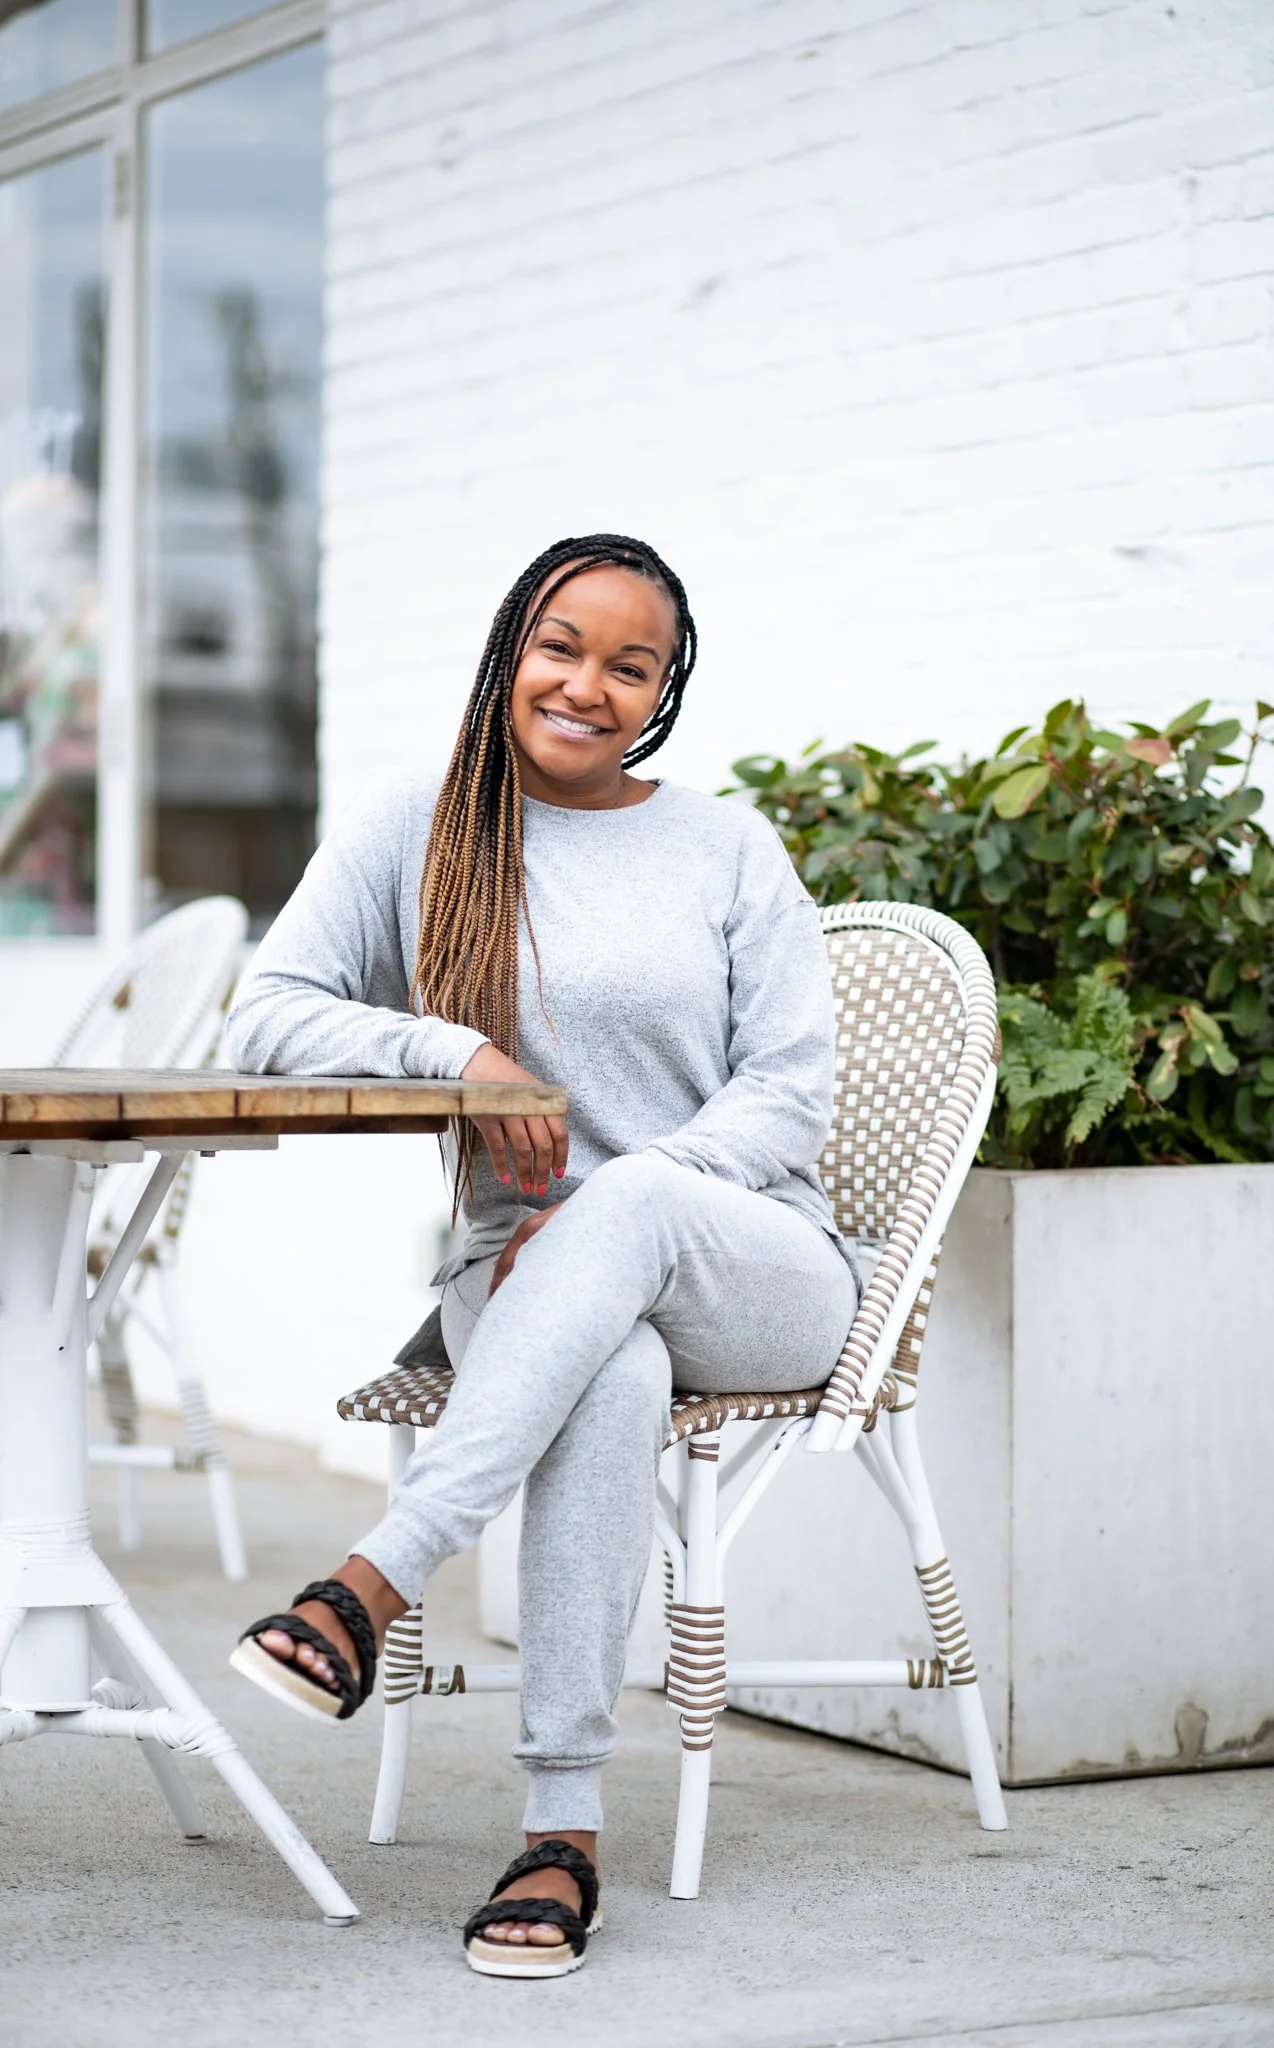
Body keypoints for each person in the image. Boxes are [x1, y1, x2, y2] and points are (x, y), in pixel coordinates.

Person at [226, 534, 860, 1977]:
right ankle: (560, 1838)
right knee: (611, 1370)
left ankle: (372, 1585)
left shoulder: (723, 846)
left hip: (752, 1264)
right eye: (562, 645)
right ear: (514, 648)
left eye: (630, 666)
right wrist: (452, 1049)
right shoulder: (427, 825)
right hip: (520, 1280)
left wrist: (624, 1197)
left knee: (622, 1209)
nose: (587, 685)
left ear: (664, 692)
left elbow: (789, 1093)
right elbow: (267, 1013)